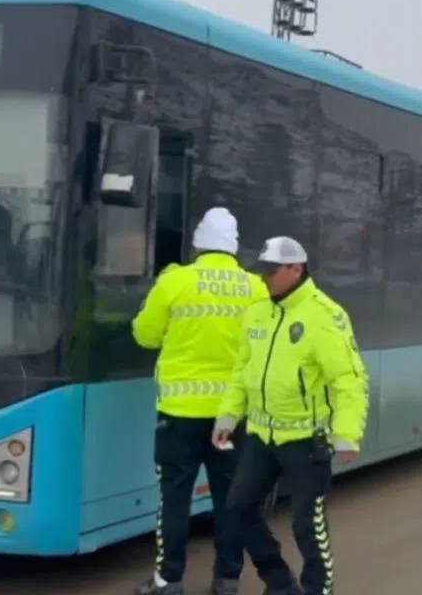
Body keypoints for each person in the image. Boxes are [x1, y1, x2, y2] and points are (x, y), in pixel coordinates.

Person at [213, 236, 369, 595]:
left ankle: (317, 589)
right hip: (261, 436)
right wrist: (228, 416)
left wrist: (347, 432)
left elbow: (349, 379)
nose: (265, 278)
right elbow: (242, 370)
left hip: (306, 441)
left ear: (296, 269)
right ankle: (279, 581)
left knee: (306, 526)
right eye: (263, 271)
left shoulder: (324, 315)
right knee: (237, 509)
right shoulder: (257, 312)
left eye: (272, 272)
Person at [131, 207, 269, 595]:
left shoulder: (175, 282)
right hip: (232, 418)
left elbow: (145, 334)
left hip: (179, 416)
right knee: (231, 497)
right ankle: (227, 579)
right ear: (234, 247)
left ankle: (168, 580)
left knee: (174, 497)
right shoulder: (255, 289)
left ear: (198, 245)